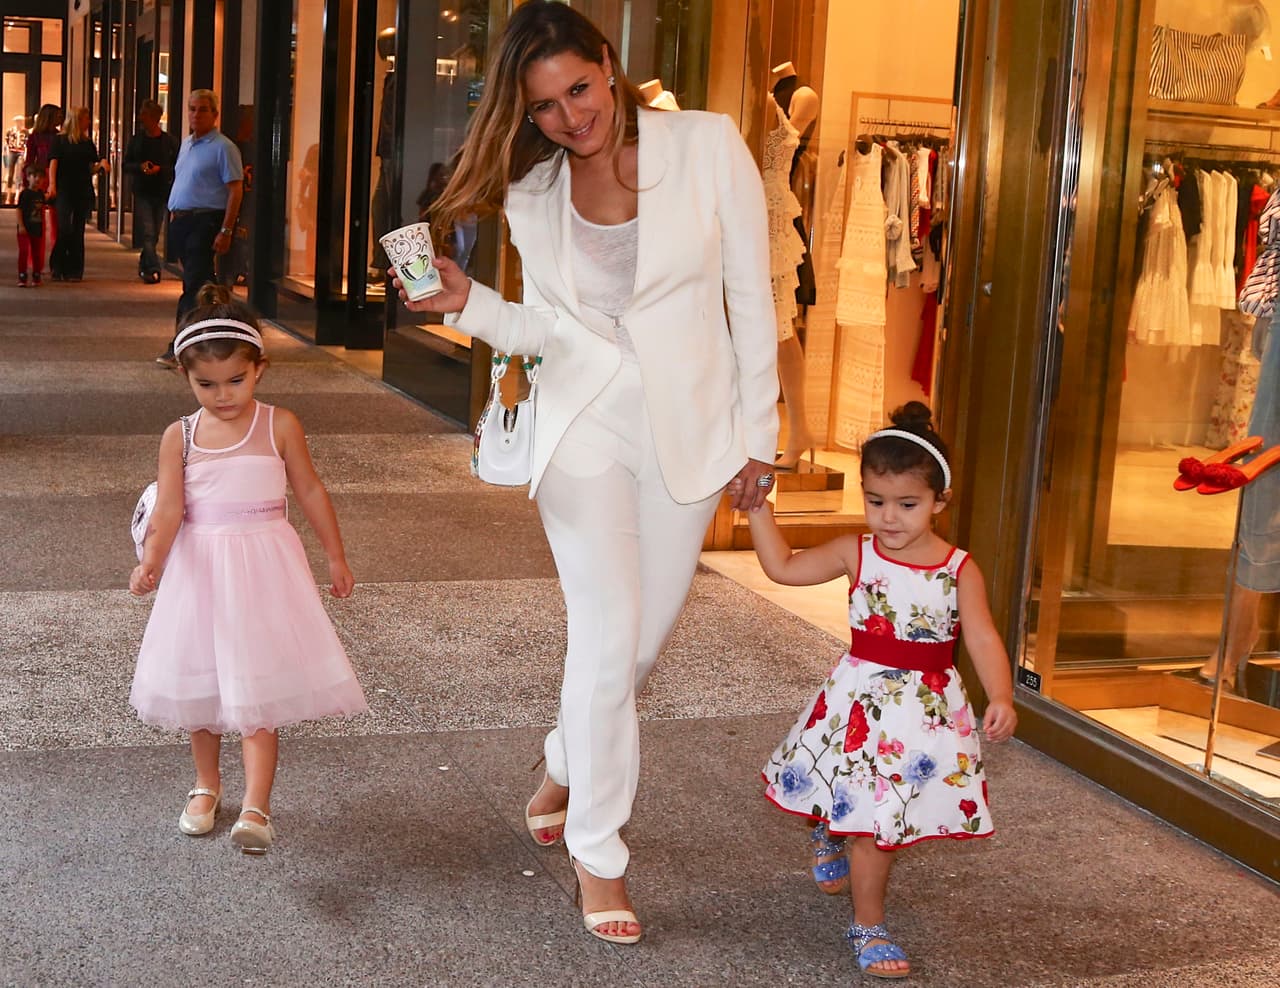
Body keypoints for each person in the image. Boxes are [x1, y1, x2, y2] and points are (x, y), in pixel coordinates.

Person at [397, 0, 778, 945]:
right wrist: (468, 302)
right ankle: (599, 857)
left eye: (579, 89)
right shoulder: (533, 195)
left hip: (689, 430)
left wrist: (760, 431)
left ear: (608, 65)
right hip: (583, 428)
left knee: (635, 652)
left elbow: (751, 294)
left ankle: (568, 759)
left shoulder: (709, 145)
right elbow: (548, 333)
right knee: (608, 642)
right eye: (547, 108)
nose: (574, 117)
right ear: (525, 117)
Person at [746, 401, 1017, 979]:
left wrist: (1001, 695)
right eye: (875, 501)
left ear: (941, 500)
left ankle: (829, 828)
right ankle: (867, 923)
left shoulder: (959, 568)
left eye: (907, 504)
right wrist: (759, 512)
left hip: (924, 714)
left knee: (884, 814)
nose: (889, 518)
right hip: (859, 701)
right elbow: (784, 569)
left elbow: (984, 637)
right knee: (874, 825)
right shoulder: (856, 552)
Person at [128, 283, 368, 854]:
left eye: (235, 380)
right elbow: (170, 507)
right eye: (205, 384)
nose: (222, 394)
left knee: (257, 683)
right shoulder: (180, 435)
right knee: (201, 680)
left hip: (263, 569)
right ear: (185, 377)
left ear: (259, 368)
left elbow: (308, 489)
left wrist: (334, 554)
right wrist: (152, 564)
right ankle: (205, 786)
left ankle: (257, 804)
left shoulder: (278, 424)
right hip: (201, 570)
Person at [156, 90, 243, 366]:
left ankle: (180, 347)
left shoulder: (223, 147)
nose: (196, 114)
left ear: (215, 114)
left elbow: (235, 190)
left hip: (205, 221)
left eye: (203, 109)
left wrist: (226, 230)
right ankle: (214, 337)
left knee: (194, 286)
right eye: (192, 109)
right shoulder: (186, 144)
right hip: (182, 221)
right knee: (200, 283)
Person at [47, 107, 110, 282]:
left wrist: (101, 166)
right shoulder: (59, 141)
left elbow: (90, 167)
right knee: (64, 228)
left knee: (78, 230)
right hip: (64, 189)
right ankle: (57, 265)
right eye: (86, 119)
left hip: (82, 189)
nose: (89, 122)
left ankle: (74, 269)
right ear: (77, 120)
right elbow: (53, 163)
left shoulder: (87, 143)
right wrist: (52, 185)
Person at [122, 99, 179, 283]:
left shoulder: (168, 142)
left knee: (154, 232)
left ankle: (144, 263)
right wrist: (141, 167)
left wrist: (159, 170)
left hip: (162, 191)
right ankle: (153, 269)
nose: (141, 118)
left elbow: (177, 166)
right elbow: (126, 165)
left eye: (144, 115)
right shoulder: (137, 140)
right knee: (149, 231)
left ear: (155, 118)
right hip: (142, 191)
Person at [21, 105, 63, 258]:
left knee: (56, 220)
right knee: (37, 221)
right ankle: (36, 258)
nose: (60, 118)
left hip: (56, 177)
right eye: (58, 116)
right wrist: (27, 182)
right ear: (49, 117)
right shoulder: (35, 136)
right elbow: (29, 160)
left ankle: (55, 257)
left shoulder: (60, 136)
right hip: (40, 177)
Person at [15, 163, 46, 287]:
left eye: (40, 177)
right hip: (25, 228)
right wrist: (21, 225)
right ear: (28, 177)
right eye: (34, 176)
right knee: (24, 251)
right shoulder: (25, 194)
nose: (37, 179)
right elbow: (19, 210)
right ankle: (22, 275)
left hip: (37, 228)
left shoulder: (41, 195)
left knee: (36, 253)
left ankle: (36, 275)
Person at [4, 114, 27, 204]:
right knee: (10, 174)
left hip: (20, 152)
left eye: (20, 121)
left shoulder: (25, 132)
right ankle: (8, 195)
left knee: (18, 174)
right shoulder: (10, 131)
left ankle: (17, 195)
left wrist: (25, 153)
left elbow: (26, 143)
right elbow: (6, 143)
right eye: (18, 121)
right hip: (12, 152)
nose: (19, 123)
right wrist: (6, 152)